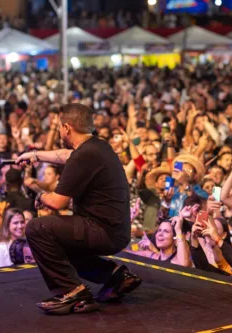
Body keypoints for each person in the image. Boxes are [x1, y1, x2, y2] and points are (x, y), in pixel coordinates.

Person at [16, 103, 141, 315]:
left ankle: (73, 291)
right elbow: (66, 155)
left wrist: (40, 195)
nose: (58, 131)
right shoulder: (97, 146)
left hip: (103, 231)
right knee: (60, 240)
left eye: (58, 127)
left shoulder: (84, 155)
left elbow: (57, 202)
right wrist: (35, 155)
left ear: (67, 127)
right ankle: (115, 275)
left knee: (37, 228)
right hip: (114, 230)